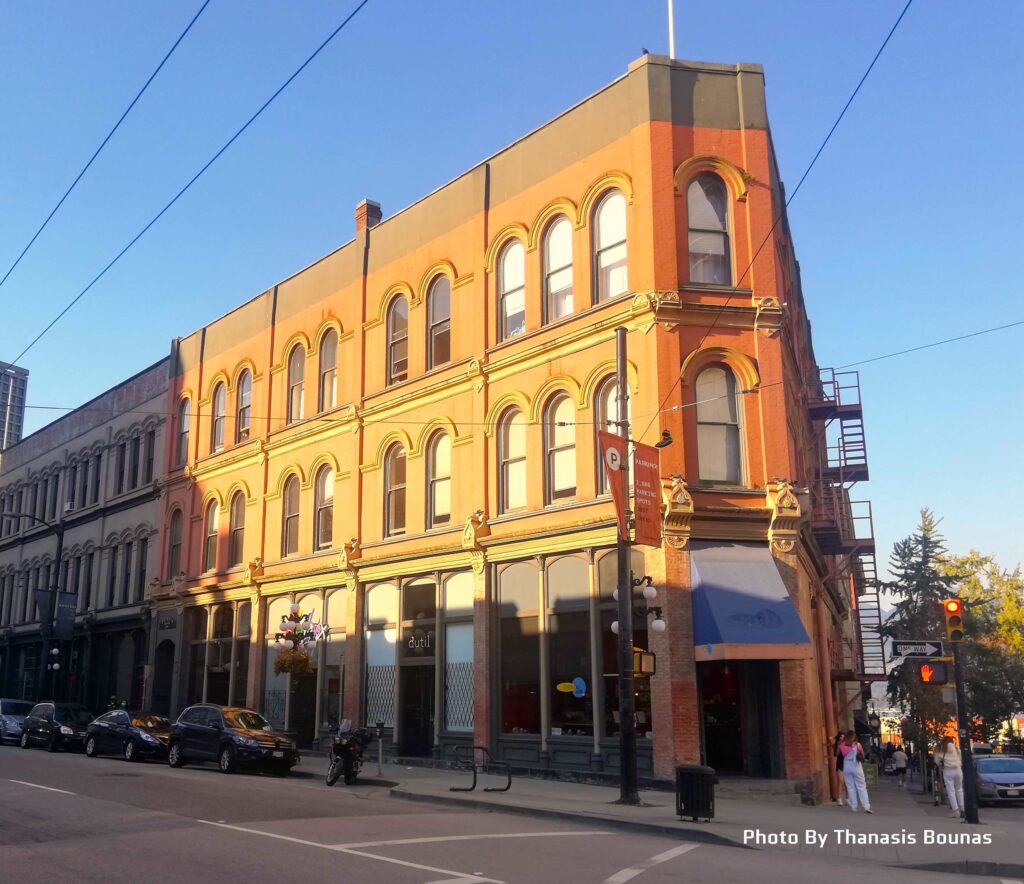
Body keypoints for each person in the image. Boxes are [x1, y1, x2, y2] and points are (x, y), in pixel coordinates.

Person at [838, 730, 872, 813]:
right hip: (856, 766)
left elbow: (839, 754)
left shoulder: (841, 745)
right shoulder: (857, 745)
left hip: (847, 766)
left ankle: (854, 807)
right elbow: (863, 755)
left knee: (850, 787)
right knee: (861, 786)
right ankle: (866, 806)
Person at [937, 737, 964, 818]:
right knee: (959, 789)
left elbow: (937, 761)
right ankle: (962, 808)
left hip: (948, 770)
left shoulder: (941, 749)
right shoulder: (956, 749)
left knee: (951, 791)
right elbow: (961, 758)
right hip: (958, 770)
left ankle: (956, 811)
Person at [833, 733, 848, 806]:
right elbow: (836, 754)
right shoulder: (838, 745)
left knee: (847, 783)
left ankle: (847, 799)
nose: (842, 738)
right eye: (841, 736)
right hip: (840, 764)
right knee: (840, 781)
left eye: (843, 736)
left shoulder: (847, 744)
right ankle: (839, 799)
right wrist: (839, 747)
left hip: (847, 764)